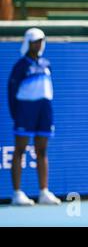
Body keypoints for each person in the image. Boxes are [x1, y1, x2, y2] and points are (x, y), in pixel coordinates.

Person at [7, 28, 61, 206]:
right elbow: (11, 92)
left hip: (44, 112)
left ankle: (44, 192)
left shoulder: (46, 63)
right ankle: (16, 194)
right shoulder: (20, 65)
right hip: (25, 112)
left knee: (42, 151)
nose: (39, 44)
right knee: (20, 150)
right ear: (28, 42)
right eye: (36, 41)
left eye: (41, 41)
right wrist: (17, 114)